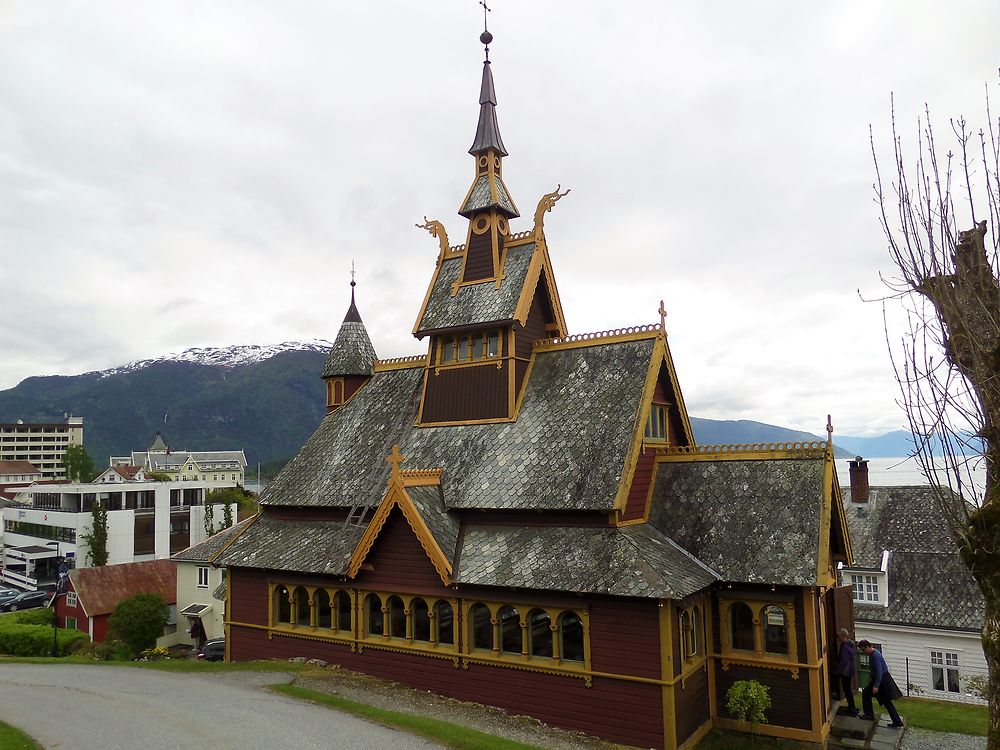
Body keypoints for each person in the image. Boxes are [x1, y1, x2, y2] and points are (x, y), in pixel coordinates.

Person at [857, 640, 904, 728]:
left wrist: (876, 685)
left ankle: (870, 715)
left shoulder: (875, 656)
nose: (863, 652)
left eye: (863, 650)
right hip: (880, 679)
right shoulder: (874, 654)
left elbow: (879, 672)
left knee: (883, 700)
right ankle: (896, 721)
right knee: (872, 696)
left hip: (882, 681)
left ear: (867, 647)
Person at [832, 628, 857, 714]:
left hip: (846, 672)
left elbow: (844, 661)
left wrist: (837, 670)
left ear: (843, 636)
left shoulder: (845, 647)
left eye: (838, 636)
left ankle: (851, 708)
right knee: (847, 689)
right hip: (850, 670)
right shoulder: (851, 645)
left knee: (847, 689)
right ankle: (851, 707)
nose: (837, 638)